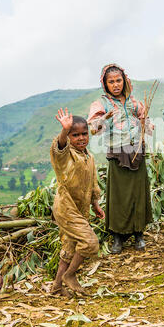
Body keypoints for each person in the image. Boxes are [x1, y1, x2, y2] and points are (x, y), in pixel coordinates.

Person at [87, 64, 153, 254]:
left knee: (138, 193)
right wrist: (105, 118)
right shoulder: (101, 104)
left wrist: (145, 123)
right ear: (105, 84)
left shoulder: (133, 102)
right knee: (118, 196)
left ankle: (138, 233)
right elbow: (93, 129)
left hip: (136, 152)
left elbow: (146, 123)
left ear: (124, 81)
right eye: (111, 82)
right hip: (117, 154)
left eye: (118, 80)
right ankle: (118, 237)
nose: (115, 85)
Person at [50, 108, 105, 296]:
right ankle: (70, 275)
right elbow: (59, 147)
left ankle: (56, 287)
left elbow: (93, 183)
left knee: (70, 246)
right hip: (66, 208)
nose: (81, 138)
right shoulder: (66, 157)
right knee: (90, 242)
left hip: (80, 209)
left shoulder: (88, 156)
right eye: (75, 135)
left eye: (84, 134)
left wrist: (95, 203)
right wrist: (64, 131)